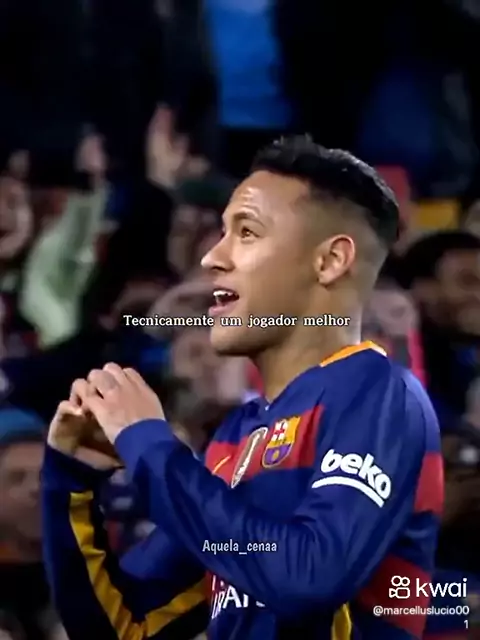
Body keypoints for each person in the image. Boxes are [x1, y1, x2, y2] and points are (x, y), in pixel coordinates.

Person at [42, 136, 444, 639]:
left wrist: (149, 443)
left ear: (330, 261)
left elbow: (310, 576)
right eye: (222, 232)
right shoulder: (236, 438)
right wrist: (71, 482)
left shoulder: (379, 394)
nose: (213, 257)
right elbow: (123, 627)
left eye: (247, 232)